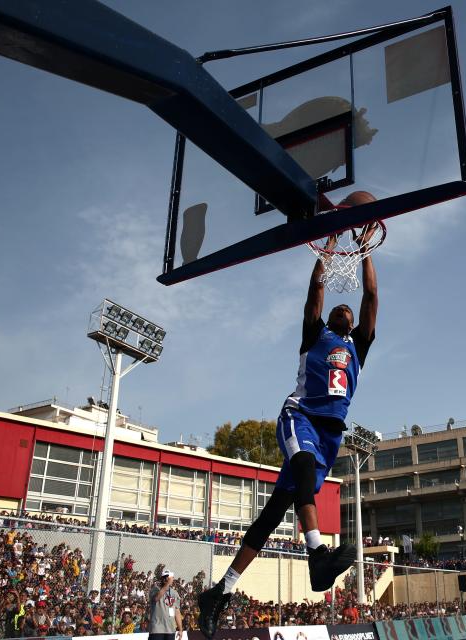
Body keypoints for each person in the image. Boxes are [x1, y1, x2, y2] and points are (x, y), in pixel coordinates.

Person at [197, 192, 381, 640]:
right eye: (338, 308)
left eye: (347, 310)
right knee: (300, 470)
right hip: (299, 416)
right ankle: (318, 555)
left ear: (352, 321)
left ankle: (222, 590)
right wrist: (333, 237)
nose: (342, 308)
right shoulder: (313, 332)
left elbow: (372, 293)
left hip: (330, 436)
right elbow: (317, 289)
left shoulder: (359, 345)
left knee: (277, 509)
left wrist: (366, 246)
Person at [149, 569, 184, 640]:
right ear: (165, 579)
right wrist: (167, 584)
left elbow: (177, 612)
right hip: (157, 629)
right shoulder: (155, 589)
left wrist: (180, 629)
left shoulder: (174, 593)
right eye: (171, 578)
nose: (173, 579)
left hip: (170, 629)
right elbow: (156, 598)